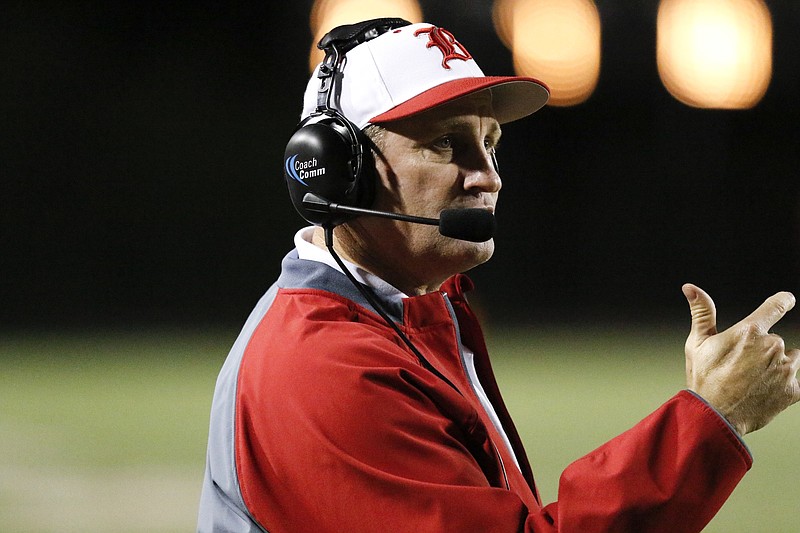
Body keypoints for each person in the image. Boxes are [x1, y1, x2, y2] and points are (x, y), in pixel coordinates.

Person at [198, 18, 800, 532]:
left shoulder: (409, 311)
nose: (487, 176)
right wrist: (710, 419)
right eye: (445, 143)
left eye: (491, 144)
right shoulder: (329, 368)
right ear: (335, 173)